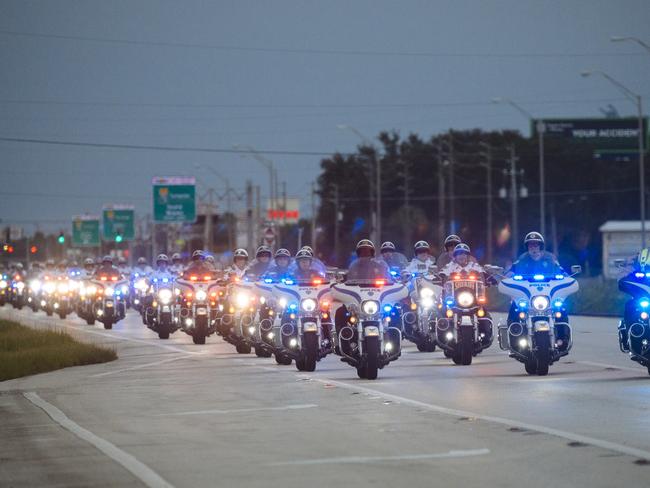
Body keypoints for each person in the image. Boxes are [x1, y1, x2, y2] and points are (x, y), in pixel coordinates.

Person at [618, 248, 650, 350]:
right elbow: (632, 266)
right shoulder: (644, 253)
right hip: (644, 288)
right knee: (631, 305)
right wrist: (628, 273)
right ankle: (629, 337)